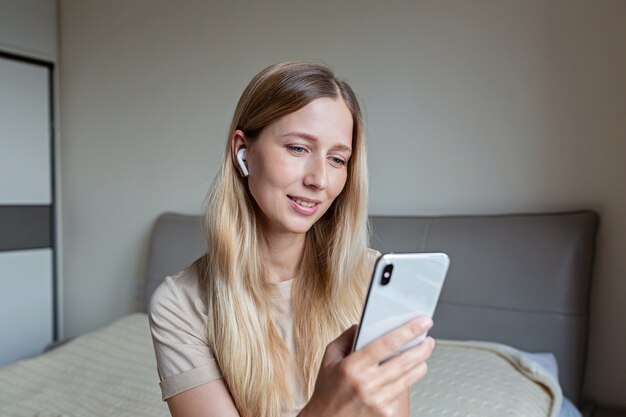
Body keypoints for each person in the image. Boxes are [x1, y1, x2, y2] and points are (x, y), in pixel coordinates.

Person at [149, 61, 435, 417]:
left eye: (337, 159)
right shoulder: (181, 306)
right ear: (243, 152)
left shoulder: (372, 279)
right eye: (299, 148)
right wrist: (325, 408)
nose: (320, 179)